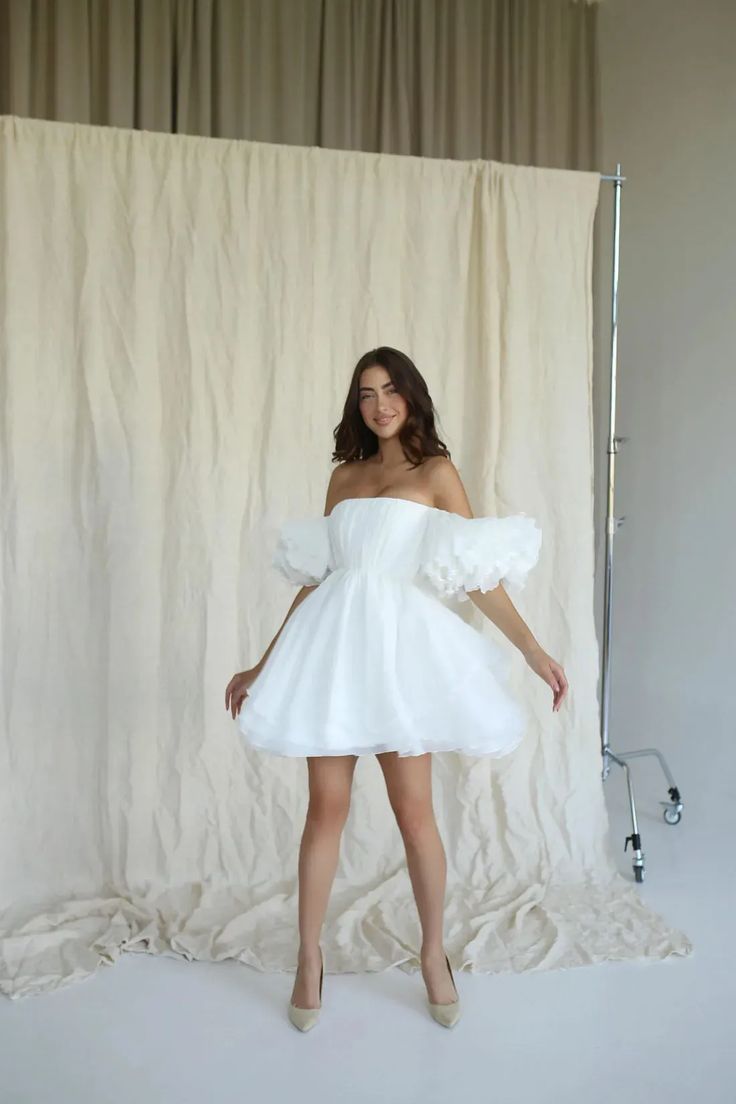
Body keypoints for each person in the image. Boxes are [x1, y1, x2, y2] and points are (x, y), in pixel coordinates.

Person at [225, 346, 569, 1032]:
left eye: (390, 391)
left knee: (415, 816)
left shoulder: (436, 473)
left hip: (400, 658)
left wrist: (532, 649)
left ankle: (433, 953)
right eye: (365, 394)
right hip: (333, 655)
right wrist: (262, 664)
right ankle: (308, 957)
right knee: (326, 809)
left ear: (411, 396)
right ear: (356, 406)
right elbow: (317, 580)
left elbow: (476, 573)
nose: (378, 405)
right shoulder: (344, 478)